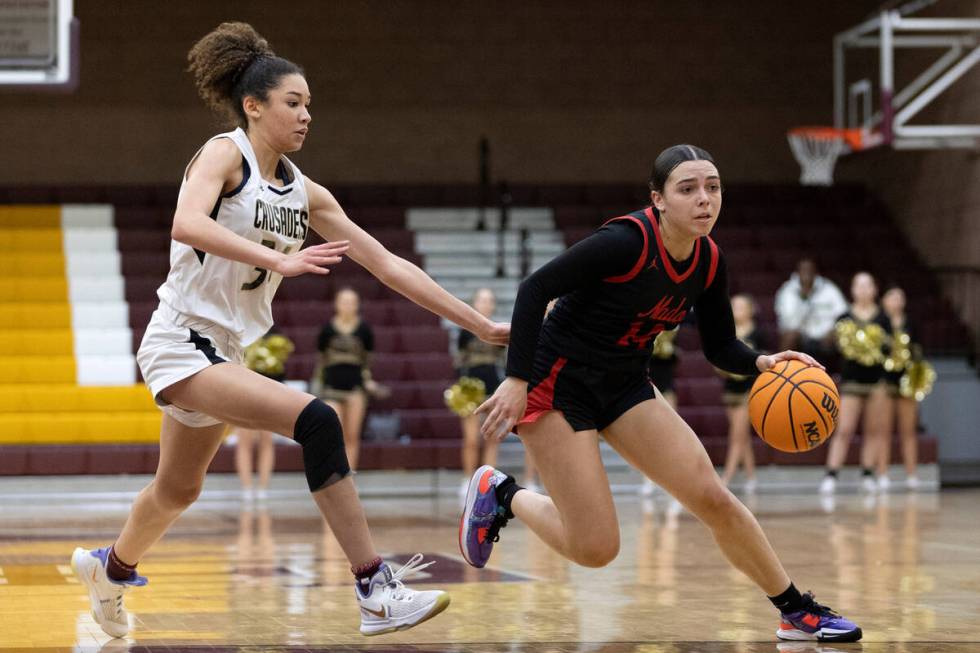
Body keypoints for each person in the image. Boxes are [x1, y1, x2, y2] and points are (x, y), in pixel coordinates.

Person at [69, 22, 507, 640]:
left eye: (310, 106)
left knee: (177, 489)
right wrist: (275, 259)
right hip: (179, 339)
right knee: (318, 420)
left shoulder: (307, 193)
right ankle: (374, 588)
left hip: (225, 348)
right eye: (293, 103)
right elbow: (185, 223)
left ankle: (109, 569)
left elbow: (387, 264)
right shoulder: (225, 153)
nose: (305, 116)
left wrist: (480, 322)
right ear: (254, 105)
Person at [459, 145, 862, 643]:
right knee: (596, 549)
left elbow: (719, 346)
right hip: (558, 383)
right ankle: (503, 494)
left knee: (713, 497)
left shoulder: (710, 261)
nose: (704, 199)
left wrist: (763, 363)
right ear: (659, 199)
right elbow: (534, 289)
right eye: (688, 188)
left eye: (712, 187)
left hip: (626, 382)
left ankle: (796, 611)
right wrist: (517, 379)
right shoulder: (625, 242)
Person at [455, 288, 538, 494]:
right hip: (470, 388)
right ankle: (467, 480)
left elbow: (505, 362)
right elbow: (460, 362)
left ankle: (486, 482)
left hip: (494, 387)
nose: (485, 304)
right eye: (481, 300)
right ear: (474, 303)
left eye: (489, 301)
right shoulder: (465, 331)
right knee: (472, 440)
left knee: (491, 439)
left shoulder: (500, 330)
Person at [819, 272, 893, 495]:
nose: (863, 289)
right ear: (852, 290)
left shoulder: (883, 318)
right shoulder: (844, 318)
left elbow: (888, 349)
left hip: (876, 382)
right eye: (858, 285)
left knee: (874, 430)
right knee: (844, 429)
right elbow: (834, 350)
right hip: (851, 382)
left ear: (874, 289)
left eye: (867, 285)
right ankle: (831, 475)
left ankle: (868, 474)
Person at [314, 287, 378, 471]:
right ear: (336, 304)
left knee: (352, 435)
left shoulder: (364, 329)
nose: (347, 306)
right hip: (331, 387)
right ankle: (334, 474)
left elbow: (367, 360)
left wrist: (367, 380)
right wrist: (318, 384)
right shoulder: (327, 329)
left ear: (357, 305)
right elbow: (321, 360)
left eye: (351, 302)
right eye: (343, 301)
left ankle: (350, 476)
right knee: (335, 432)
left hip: (355, 388)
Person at [234, 328, 294, 503]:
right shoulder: (240, 335)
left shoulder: (275, 338)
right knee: (244, 440)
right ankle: (246, 487)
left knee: (266, 439)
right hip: (243, 394)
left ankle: (262, 487)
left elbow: (280, 373)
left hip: (268, 396)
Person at [718, 294, 764, 493]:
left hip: (749, 390)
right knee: (741, 436)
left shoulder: (757, 333)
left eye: (740, 307)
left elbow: (762, 363)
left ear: (750, 310)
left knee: (736, 436)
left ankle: (725, 479)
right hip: (730, 391)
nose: (736, 310)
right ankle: (752, 477)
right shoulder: (728, 334)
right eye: (733, 306)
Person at [881, 286, 921, 490]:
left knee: (908, 431)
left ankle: (912, 475)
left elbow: (918, 353)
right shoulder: (880, 323)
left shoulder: (911, 323)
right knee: (884, 430)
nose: (896, 301)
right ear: (884, 301)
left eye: (900, 297)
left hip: (907, 382)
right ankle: (882, 474)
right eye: (892, 296)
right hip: (885, 381)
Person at [774, 258, 848, 360]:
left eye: (810, 270)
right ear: (797, 272)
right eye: (803, 270)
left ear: (816, 272)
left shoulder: (829, 289)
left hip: (825, 335)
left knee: (841, 336)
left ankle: (838, 374)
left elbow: (843, 314)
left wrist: (833, 330)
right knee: (789, 336)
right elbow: (784, 320)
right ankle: (783, 371)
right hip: (800, 336)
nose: (806, 273)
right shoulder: (787, 290)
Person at [640, 325, 680, 497]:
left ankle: (674, 478)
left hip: (667, 388)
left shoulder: (671, 333)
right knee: (647, 436)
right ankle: (647, 479)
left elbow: (674, 361)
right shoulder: (646, 336)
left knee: (671, 435)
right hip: (647, 388)